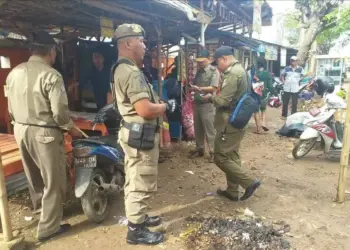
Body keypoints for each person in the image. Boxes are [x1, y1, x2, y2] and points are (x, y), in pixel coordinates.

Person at [6, 31, 83, 241]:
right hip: (44, 132)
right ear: (51, 52)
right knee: (54, 179)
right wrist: (70, 128)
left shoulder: (14, 72)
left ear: (32, 51)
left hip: (20, 129)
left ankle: (42, 211)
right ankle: (49, 228)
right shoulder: (51, 75)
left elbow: (10, 107)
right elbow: (59, 112)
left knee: (34, 176)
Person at [112, 23, 176, 245]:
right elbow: (145, 109)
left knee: (134, 177)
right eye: (141, 40)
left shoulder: (123, 68)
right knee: (141, 180)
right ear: (129, 43)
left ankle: (137, 217)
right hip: (140, 134)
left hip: (134, 133)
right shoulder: (130, 71)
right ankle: (136, 230)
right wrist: (165, 107)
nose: (144, 45)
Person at [195, 46, 261, 201]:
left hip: (229, 121)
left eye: (217, 63)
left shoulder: (232, 73)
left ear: (224, 59)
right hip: (238, 119)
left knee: (220, 157)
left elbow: (223, 100)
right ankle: (232, 190)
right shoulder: (241, 70)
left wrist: (209, 97)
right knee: (232, 155)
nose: (217, 67)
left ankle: (249, 182)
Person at [189, 49, 219, 163]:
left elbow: (214, 88)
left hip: (208, 105)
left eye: (202, 61)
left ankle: (213, 152)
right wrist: (193, 88)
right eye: (199, 61)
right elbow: (196, 84)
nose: (200, 63)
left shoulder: (214, 71)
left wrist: (199, 89)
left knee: (210, 130)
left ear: (209, 59)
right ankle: (200, 149)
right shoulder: (199, 71)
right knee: (198, 129)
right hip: (197, 103)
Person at [253, 64, 275, 133]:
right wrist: (273, 92)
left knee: (256, 111)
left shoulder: (254, 73)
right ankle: (263, 123)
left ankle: (258, 128)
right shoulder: (267, 74)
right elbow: (270, 85)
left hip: (255, 94)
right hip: (263, 94)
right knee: (263, 109)